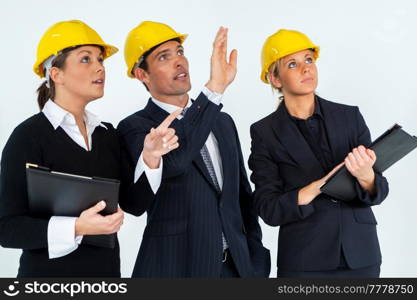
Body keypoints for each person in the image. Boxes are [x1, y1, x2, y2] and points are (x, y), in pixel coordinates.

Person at [0, 20, 178, 277]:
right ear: (56, 74)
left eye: (100, 60)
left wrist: (150, 158)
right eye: (86, 59)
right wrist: (76, 227)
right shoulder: (28, 136)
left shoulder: (106, 134)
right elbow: (8, 229)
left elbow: (135, 204)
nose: (99, 68)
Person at [117, 21, 271, 278]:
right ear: (142, 75)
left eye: (180, 52)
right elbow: (176, 161)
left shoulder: (221, 121)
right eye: (164, 57)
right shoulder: (135, 128)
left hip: (236, 269)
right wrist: (213, 90)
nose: (179, 62)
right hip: (178, 271)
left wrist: (253, 257)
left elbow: (241, 195)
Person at [249, 29, 389, 277]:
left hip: (361, 256)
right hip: (305, 260)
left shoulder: (349, 117)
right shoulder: (265, 133)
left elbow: (380, 190)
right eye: (293, 64)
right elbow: (268, 208)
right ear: (275, 78)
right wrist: (319, 186)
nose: (306, 69)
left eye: (309, 60)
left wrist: (367, 176)